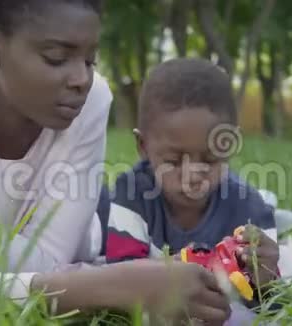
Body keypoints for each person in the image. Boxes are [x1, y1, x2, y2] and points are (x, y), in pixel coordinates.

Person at [0, 1, 232, 324]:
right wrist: (110, 288)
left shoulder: (92, 99)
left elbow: (52, 258)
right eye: (57, 58)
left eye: (90, 60)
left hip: (94, 228)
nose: (81, 78)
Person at [100, 58, 281, 318]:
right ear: (143, 146)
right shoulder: (131, 194)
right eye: (173, 162)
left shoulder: (250, 208)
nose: (193, 177)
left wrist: (266, 280)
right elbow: (121, 283)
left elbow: (272, 307)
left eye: (209, 160)